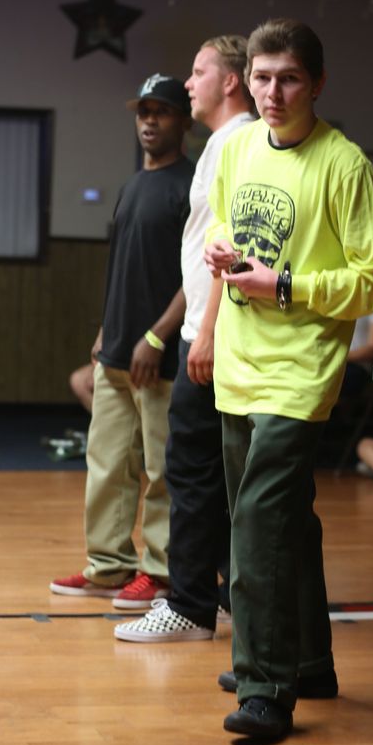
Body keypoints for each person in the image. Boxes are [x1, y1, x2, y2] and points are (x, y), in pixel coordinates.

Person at [203, 18, 373, 741]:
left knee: (259, 527)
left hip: (301, 371)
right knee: (282, 522)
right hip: (238, 364)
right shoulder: (237, 147)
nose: (273, 93)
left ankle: (266, 688)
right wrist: (222, 252)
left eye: (288, 79)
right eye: (261, 77)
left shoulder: (344, 166)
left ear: (317, 83)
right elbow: (224, 228)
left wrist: (285, 286)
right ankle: (309, 663)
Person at [114, 36, 256, 642]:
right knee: (207, 476)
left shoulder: (240, 142)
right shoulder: (223, 143)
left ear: (230, 81)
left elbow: (232, 248)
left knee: (191, 472)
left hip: (210, 336)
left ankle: (190, 605)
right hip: (204, 330)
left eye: (199, 72)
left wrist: (207, 332)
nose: (189, 82)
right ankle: (216, 595)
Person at [50, 74, 194, 607]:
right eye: (143, 112)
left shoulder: (193, 185)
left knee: (161, 471)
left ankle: (161, 574)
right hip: (115, 352)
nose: (149, 121)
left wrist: (156, 337)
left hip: (159, 357)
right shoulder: (132, 186)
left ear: (184, 121)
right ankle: (109, 565)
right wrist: (104, 331)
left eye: (162, 111)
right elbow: (122, 269)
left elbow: (199, 278)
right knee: (107, 463)